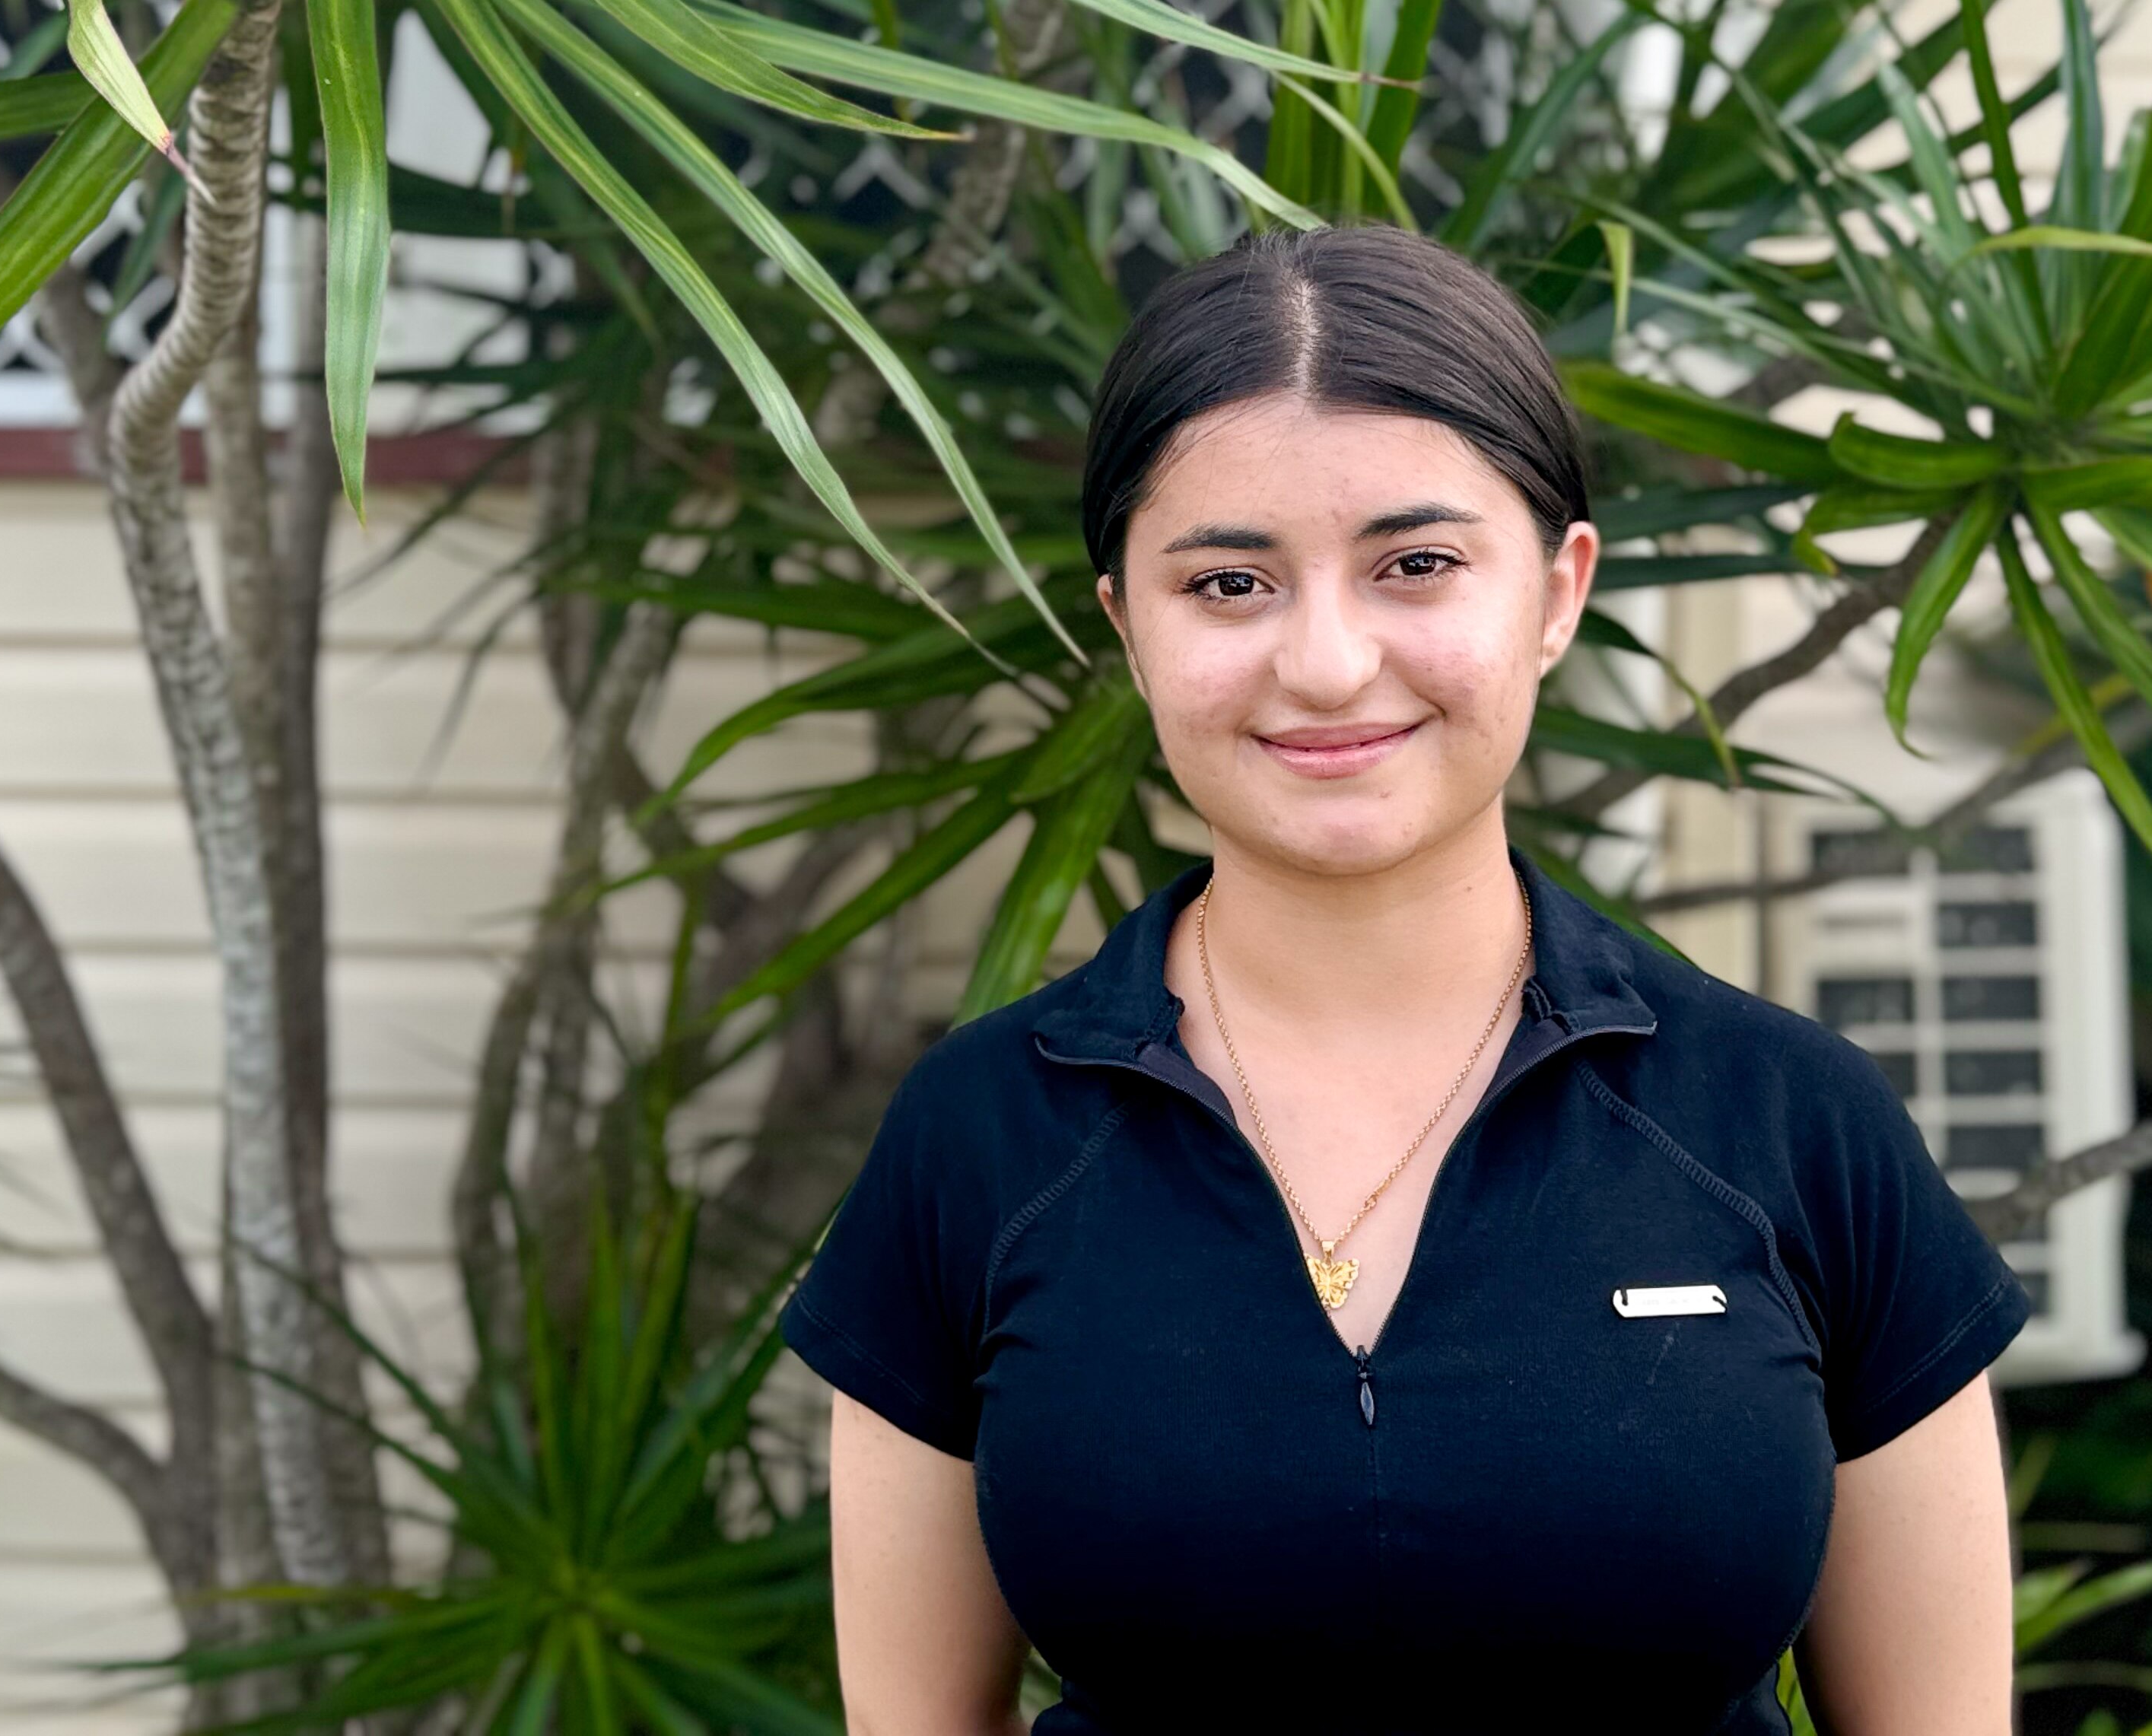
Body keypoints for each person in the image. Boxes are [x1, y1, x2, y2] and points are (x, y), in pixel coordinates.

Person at [777, 224, 2028, 1734]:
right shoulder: (979, 1137)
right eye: (1228, 583)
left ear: (1557, 592)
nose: (1323, 661)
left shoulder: (1785, 1121)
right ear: (1126, 624)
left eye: (1417, 564)